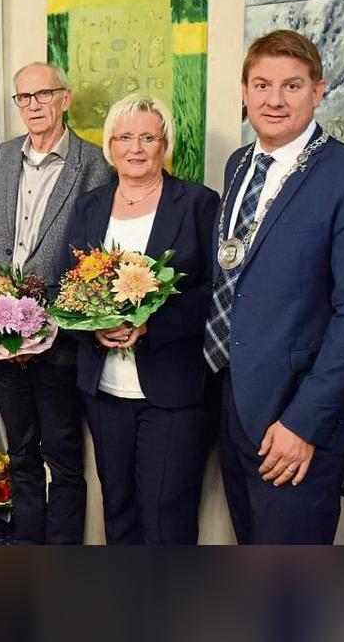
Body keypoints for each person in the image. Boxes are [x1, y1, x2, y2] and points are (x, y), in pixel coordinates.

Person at [204, 29, 344, 544]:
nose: (274, 99)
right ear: (244, 92)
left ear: (318, 91)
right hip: (235, 399)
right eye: (261, 85)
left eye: (291, 85)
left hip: (296, 417)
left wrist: (304, 423)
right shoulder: (239, 164)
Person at [0, 62, 113, 544]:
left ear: (65, 99)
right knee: (22, 450)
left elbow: (95, 259)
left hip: (59, 340)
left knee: (64, 455)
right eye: (23, 97)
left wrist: (44, 325)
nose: (33, 105)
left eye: (43, 95)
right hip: (1, 333)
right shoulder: (5, 157)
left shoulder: (92, 164)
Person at [65, 92, 220, 544]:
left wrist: (154, 324)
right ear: (110, 145)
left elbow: (218, 291)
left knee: (164, 513)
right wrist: (94, 324)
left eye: (148, 137)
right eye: (126, 137)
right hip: (105, 388)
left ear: (164, 144)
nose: (136, 148)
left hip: (172, 387)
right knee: (118, 505)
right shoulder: (90, 205)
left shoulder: (197, 203)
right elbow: (67, 284)